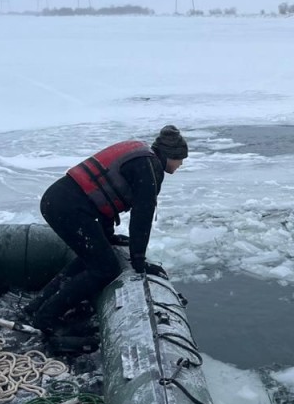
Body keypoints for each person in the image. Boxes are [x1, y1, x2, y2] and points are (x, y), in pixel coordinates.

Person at [23, 125, 189, 342]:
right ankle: (46, 319)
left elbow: (103, 195)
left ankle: (36, 306)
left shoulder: (141, 156)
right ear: (169, 156)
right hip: (69, 208)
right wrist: (139, 261)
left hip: (58, 200)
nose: (181, 164)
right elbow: (142, 216)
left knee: (90, 259)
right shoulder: (148, 168)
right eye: (180, 159)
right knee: (105, 269)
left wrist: (107, 236)